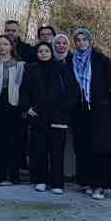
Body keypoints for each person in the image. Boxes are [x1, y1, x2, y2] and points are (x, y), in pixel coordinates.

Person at [70, 28, 111, 200]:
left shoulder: (102, 60)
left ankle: (101, 185)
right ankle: (88, 181)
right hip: (80, 111)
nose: (81, 43)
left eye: (84, 39)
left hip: (100, 110)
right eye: (78, 40)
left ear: (90, 41)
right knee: (83, 148)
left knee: (102, 148)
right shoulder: (71, 60)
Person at [22, 41, 78, 194]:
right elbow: (24, 90)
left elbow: (73, 91)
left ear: (51, 52)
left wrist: (64, 109)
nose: (44, 54)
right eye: (40, 51)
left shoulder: (62, 68)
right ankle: (41, 180)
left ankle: (57, 183)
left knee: (56, 151)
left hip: (58, 117)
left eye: (47, 51)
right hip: (38, 116)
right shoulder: (31, 69)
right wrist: (27, 107)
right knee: (40, 150)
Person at [0, 36, 27, 184]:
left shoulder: (21, 65)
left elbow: (24, 86)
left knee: (14, 140)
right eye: (0, 44)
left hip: (14, 104)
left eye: (5, 44)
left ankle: (14, 174)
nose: (2, 47)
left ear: (11, 46)